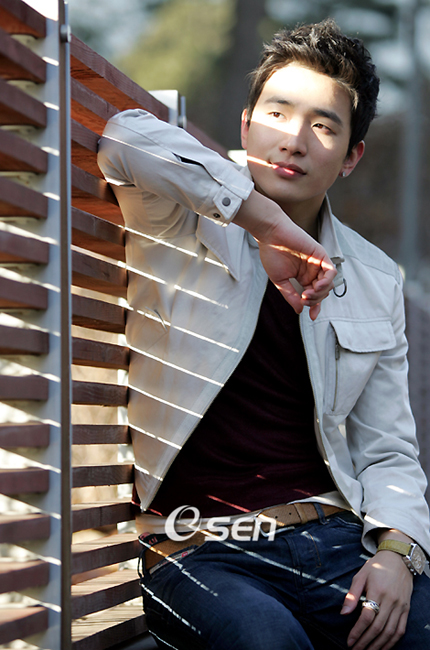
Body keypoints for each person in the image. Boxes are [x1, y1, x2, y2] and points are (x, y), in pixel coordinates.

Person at [98, 19, 430, 650]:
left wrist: (398, 552)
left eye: (323, 127)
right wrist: (266, 223)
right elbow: (124, 138)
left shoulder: (375, 278)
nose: (293, 140)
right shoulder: (177, 218)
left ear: (352, 157)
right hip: (200, 551)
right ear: (246, 125)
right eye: (277, 114)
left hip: (338, 542)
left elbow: (387, 449)